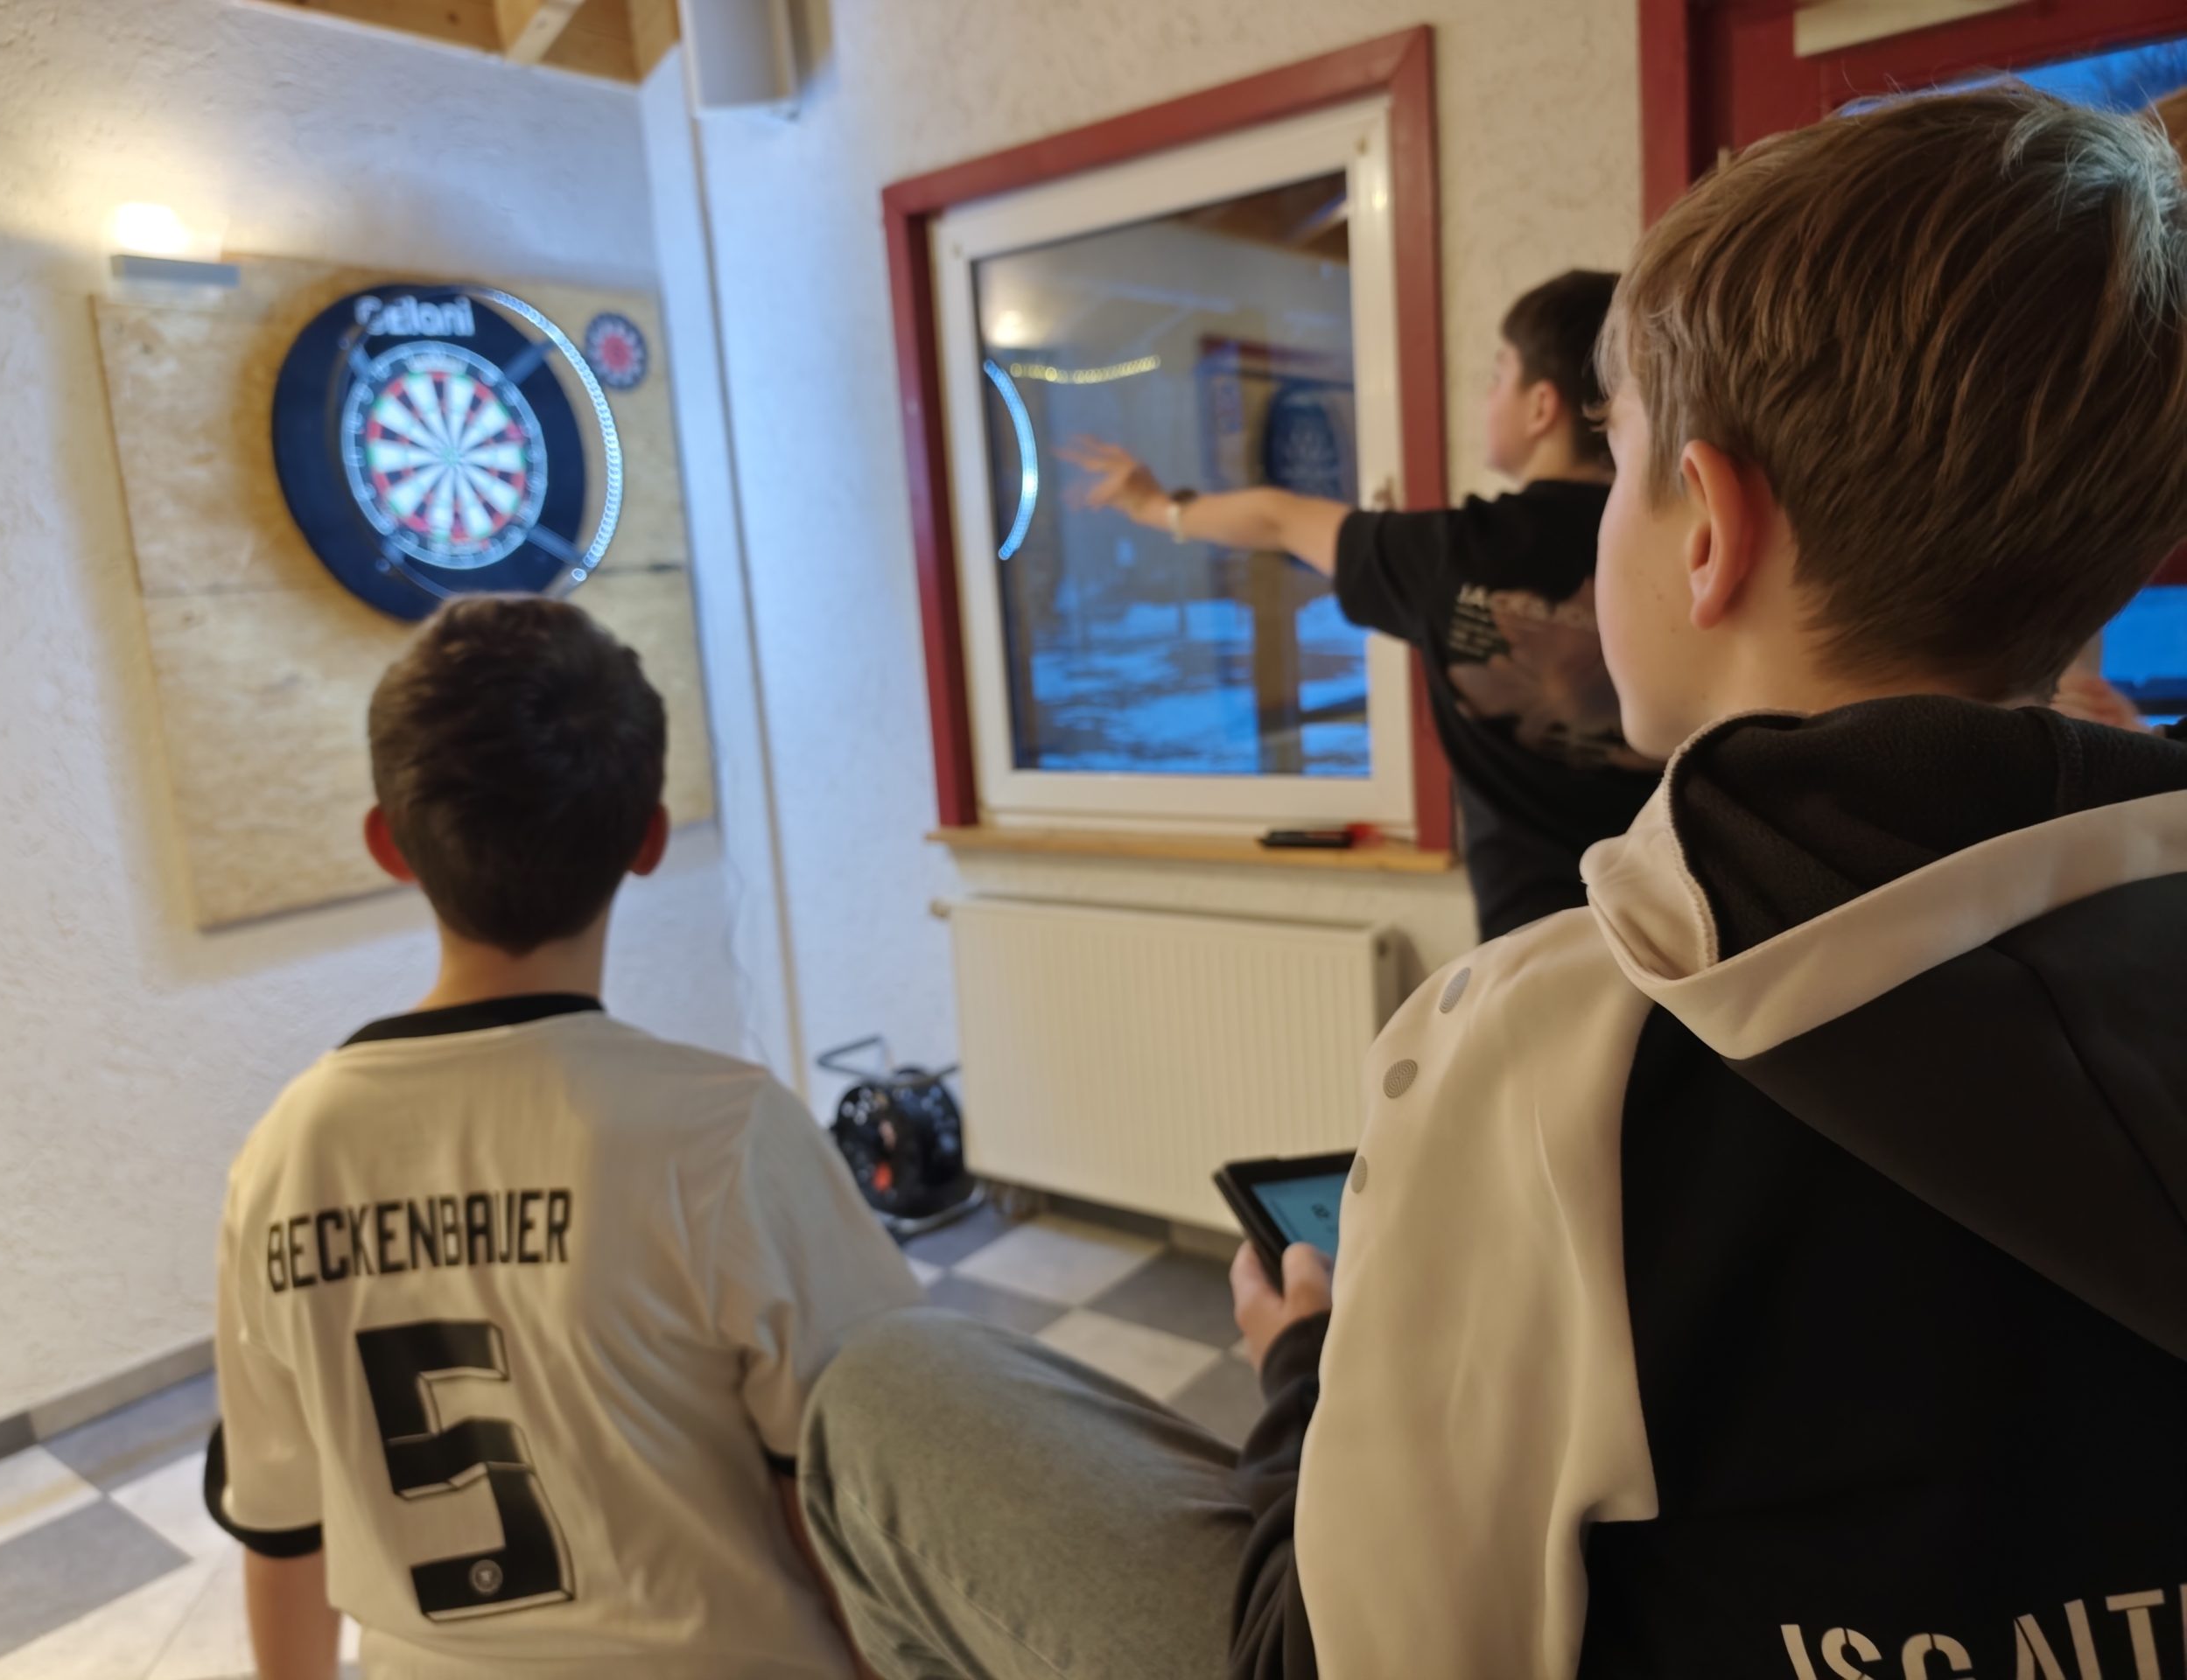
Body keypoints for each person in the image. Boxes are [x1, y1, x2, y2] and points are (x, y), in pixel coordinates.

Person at [799, 87, 2187, 1679]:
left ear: (1709, 529)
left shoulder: (1551, 1063)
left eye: (1627, 460)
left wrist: (1307, 1372)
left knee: (895, 1393)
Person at [206, 597, 920, 1679]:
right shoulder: (727, 1137)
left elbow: (280, 1531)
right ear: (648, 840)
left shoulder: (284, 1155)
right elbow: (849, 1506)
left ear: (388, 844)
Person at [1062, 269, 1658, 942]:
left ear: (1541, 406)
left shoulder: (1450, 557)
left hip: (1528, 953)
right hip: (1684, 944)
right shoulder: (1682, 547)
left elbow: (1279, 518)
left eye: (1499, 376)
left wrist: (1152, 506)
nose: (1486, 396)